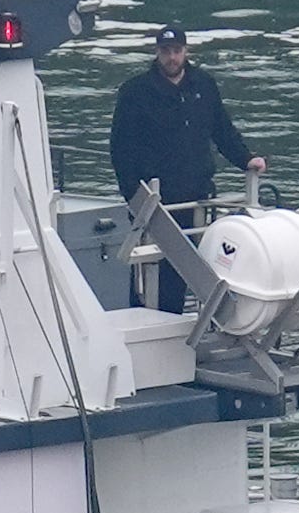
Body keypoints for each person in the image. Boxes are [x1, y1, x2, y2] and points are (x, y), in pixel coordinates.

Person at [108, 24, 264, 314]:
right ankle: (146, 320)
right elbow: (120, 147)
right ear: (157, 53)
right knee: (150, 265)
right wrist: (133, 193)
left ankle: (180, 324)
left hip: (195, 193)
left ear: (186, 51)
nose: (172, 57)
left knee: (187, 266)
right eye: (166, 52)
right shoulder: (135, 92)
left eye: (176, 51)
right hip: (154, 199)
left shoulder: (204, 85)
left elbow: (222, 130)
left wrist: (246, 159)